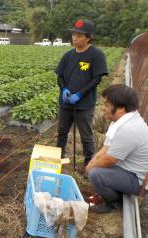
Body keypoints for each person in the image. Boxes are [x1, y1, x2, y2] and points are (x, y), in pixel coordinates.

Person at [55, 19, 108, 169]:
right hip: (65, 103)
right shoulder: (68, 55)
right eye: (73, 35)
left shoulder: (96, 55)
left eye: (79, 35)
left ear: (89, 37)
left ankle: (88, 164)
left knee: (86, 136)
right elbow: (59, 76)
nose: (75, 38)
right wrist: (64, 89)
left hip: (84, 105)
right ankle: (58, 158)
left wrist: (79, 94)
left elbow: (96, 79)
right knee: (62, 132)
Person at [86, 85, 148, 213]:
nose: (103, 108)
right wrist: (93, 161)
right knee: (95, 166)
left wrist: (91, 167)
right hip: (127, 169)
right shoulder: (121, 121)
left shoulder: (129, 129)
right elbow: (107, 146)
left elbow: (110, 159)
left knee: (95, 174)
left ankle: (114, 203)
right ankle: (109, 194)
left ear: (120, 108)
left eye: (107, 105)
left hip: (138, 181)